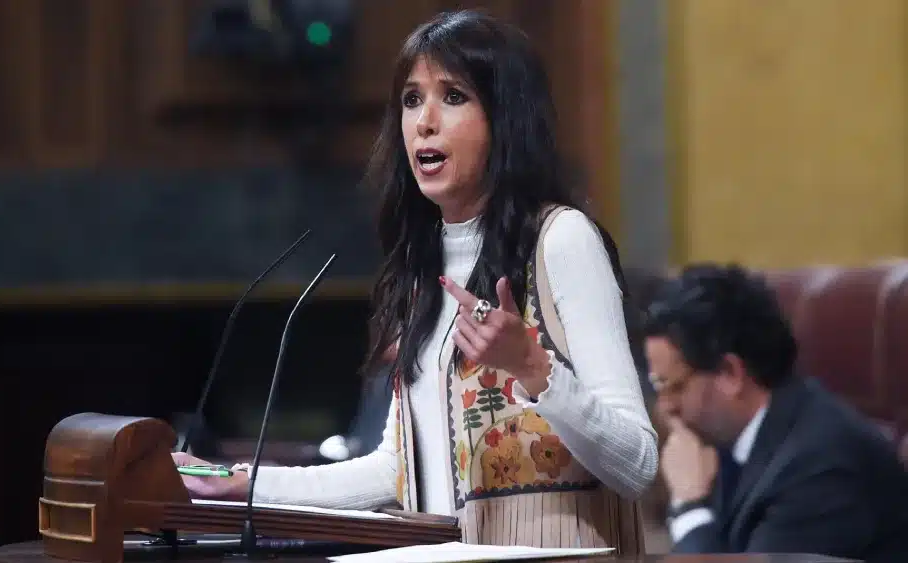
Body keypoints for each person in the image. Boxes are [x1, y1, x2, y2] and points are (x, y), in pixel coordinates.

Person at [173, 9, 657, 552]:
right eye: (411, 99)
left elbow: (636, 464)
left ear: (506, 119)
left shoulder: (561, 241)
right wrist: (247, 484)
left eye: (453, 96)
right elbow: (397, 470)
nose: (424, 121)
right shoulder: (421, 271)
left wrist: (534, 369)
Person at [646, 263, 908, 561]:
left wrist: (689, 506)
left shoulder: (817, 465)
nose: (666, 406)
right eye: (658, 386)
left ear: (730, 373)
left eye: (674, 387)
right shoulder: (729, 442)